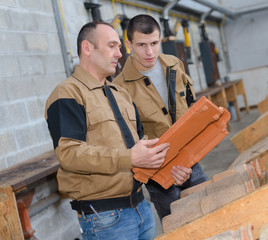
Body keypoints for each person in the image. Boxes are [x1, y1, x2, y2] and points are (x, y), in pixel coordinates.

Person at [45, 21, 191, 240]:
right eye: (112, 46)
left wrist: (169, 171)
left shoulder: (119, 93)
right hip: (105, 217)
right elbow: (69, 154)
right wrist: (130, 157)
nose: (119, 53)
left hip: (141, 208)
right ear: (87, 48)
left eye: (119, 48)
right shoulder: (68, 93)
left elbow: (142, 147)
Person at [113, 14, 209, 221]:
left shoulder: (174, 64)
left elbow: (191, 110)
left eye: (154, 43)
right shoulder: (120, 88)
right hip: (159, 175)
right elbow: (131, 141)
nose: (150, 52)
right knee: (179, 226)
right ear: (129, 44)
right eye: (141, 45)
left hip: (191, 161)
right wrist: (168, 169)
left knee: (213, 214)